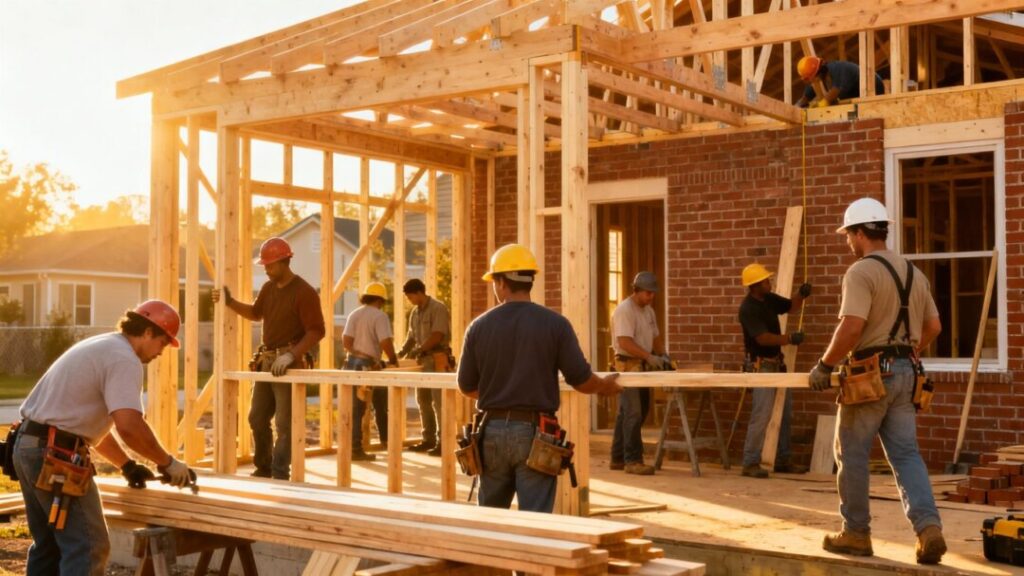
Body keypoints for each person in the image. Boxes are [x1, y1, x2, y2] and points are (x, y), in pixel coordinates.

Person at [808, 198, 946, 564]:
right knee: (906, 454)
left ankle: (855, 533)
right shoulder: (915, 274)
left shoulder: (861, 272)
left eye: (847, 235)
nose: (846, 243)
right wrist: (909, 351)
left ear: (859, 232)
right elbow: (933, 327)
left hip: (870, 376)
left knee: (850, 453)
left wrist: (824, 364)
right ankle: (929, 528)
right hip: (907, 374)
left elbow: (851, 326)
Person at [14, 300, 196, 575]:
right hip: (55, 456)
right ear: (148, 332)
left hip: (30, 446)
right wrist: (167, 463)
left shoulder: (104, 345)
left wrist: (126, 465)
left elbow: (85, 428)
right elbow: (130, 426)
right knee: (88, 547)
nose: (162, 351)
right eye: (162, 342)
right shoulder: (124, 358)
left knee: (49, 546)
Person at [458, 244, 622, 513]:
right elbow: (581, 380)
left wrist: (501, 394)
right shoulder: (555, 325)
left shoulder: (479, 327)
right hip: (536, 433)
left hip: (492, 431)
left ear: (500, 283)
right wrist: (605, 387)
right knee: (536, 522)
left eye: (494, 282)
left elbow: (466, 385)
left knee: (488, 520)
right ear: (529, 281)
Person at [213, 237, 325, 480]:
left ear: (285, 262)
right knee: (257, 417)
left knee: (285, 424)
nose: (266, 269)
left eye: (270, 265)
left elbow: (317, 330)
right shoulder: (268, 288)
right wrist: (229, 302)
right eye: (264, 265)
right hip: (266, 360)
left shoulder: (304, 292)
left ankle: (279, 472)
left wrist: (291, 355)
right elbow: (255, 313)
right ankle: (263, 468)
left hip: (289, 362)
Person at [738, 263, 812, 478]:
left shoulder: (768, 299)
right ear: (754, 286)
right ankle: (750, 462)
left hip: (777, 364)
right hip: (761, 367)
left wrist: (801, 294)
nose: (769, 282)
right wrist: (789, 339)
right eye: (766, 280)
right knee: (761, 416)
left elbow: (790, 306)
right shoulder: (747, 309)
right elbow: (762, 337)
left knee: (784, 413)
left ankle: (783, 459)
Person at [609, 271, 668, 476]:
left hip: (641, 365)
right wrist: (649, 357)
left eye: (653, 293)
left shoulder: (648, 311)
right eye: (648, 293)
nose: (651, 297)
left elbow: (655, 337)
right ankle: (632, 460)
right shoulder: (625, 310)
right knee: (633, 413)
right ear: (637, 291)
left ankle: (617, 457)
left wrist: (663, 355)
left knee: (634, 412)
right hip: (627, 366)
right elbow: (624, 342)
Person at [343, 281, 399, 461]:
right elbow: (385, 342)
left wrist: (357, 352)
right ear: (381, 300)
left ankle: (353, 447)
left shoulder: (354, 314)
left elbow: (346, 341)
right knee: (372, 407)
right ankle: (364, 448)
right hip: (369, 366)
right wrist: (392, 360)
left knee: (355, 409)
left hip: (352, 364)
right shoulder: (379, 316)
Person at [398, 278, 451, 457]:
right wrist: (399, 355)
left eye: (410, 296)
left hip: (437, 359)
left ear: (419, 292)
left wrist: (419, 349)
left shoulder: (438, 308)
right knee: (423, 401)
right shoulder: (415, 313)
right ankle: (428, 439)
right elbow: (411, 337)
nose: (409, 300)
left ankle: (444, 442)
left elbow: (438, 334)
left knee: (439, 402)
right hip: (422, 362)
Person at [795, 56, 885, 108]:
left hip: (874, 89)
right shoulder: (822, 74)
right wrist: (799, 104)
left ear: (816, 73)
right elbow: (809, 93)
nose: (811, 81)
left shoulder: (838, 69)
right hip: (857, 96)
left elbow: (836, 90)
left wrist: (821, 104)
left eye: (810, 78)